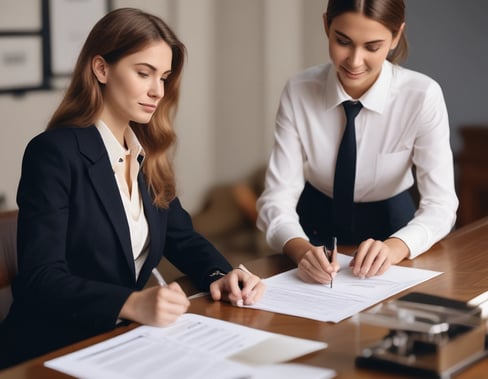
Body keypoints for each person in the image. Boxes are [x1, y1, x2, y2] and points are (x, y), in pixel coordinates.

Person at [0, 7, 264, 369]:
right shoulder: (54, 154)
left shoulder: (146, 152)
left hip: (120, 341)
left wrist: (222, 275)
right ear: (102, 69)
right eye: (144, 73)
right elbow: (40, 279)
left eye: (165, 77)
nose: (158, 91)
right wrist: (131, 302)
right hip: (51, 351)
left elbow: (182, 238)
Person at [256, 0, 458, 284]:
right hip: (311, 227)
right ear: (326, 25)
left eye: (372, 47)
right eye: (343, 41)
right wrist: (300, 250)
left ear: (396, 36)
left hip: (394, 230)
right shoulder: (299, 91)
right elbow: (276, 197)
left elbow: (441, 204)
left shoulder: (421, 96)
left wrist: (395, 247)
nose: (354, 61)